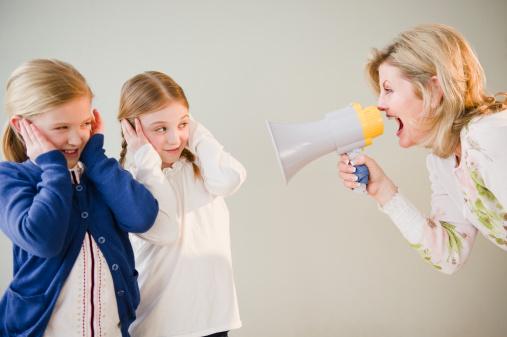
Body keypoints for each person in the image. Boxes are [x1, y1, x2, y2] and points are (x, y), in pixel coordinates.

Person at [0, 59, 159, 337]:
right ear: (22, 126)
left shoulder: (99, 175)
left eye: (85, 123)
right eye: (62, 128)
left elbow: (142, 217)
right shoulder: (11, 178)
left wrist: (96, 158)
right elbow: (43, 239)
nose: (76, 139)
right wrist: (53, 168)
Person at [338, 23, 507, 275]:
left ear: (434, 90)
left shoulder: (489, 137)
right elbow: (450, 255)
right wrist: (383, 189)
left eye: (389, 90)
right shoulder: (443, 161)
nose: (380, 105)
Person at [117, 71, 246, 337]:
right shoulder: (129, 182)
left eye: (182, 125)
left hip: (212, 320)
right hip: (157, 325)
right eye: (161, 128)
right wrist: (144, 156)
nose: (175, 139)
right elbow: (165, 230)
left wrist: (194, 130)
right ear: (131, 128)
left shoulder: (202, 169)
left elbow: (230, 178)